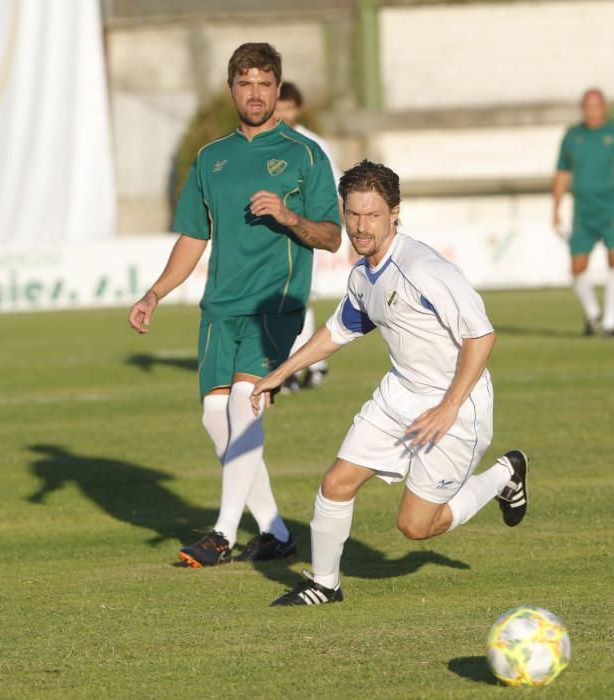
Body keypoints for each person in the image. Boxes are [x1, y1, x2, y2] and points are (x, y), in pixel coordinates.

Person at [250, 160, 530, 607]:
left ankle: (505, 473)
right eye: (353, 214)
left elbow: (482, 336)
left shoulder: (424, 268)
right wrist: (279, 374)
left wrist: (449, 406)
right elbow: (338, 330)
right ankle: (325, 584)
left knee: (416, 527)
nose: (361, 227)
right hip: (400, 393)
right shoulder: (363, 275)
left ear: (395, 212)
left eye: (373, 215)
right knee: (336, 483)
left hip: (457, 406)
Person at [127, 43, 341, 567]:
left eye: (265, 83)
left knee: (244, 404)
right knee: (212, 416)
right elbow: (193, 238)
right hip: (219, 305)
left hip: (276, 303)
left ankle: (222, 532)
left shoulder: (304, 154)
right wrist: (155, 292)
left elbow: (333, 237)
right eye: (245, 83)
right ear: (231, 90)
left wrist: (290, 218)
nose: (255, 93)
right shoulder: (210, 159)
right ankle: (274, 532)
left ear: (278, 89)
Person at [552, 88, 614, 337]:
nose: (592, 112)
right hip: (583, 210)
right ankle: (593, 312)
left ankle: (611, 323)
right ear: (582, 109)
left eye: (596, 107)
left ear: (605, 107)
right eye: (587, 107)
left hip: (613, 207)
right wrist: (556, 208)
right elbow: (561, 173)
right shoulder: (572, 136)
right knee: (577, 267)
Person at [274, 81, 343, 391]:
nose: (283, 113)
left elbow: (335, 188)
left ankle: (308, 365)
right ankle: (301, 366)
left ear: (296, 109)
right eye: (279, 106)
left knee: (301, 299)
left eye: (288, 107)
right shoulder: (267, 141)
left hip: (308, 230)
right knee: (282, 301)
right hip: (275, 233)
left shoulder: (313, 144)